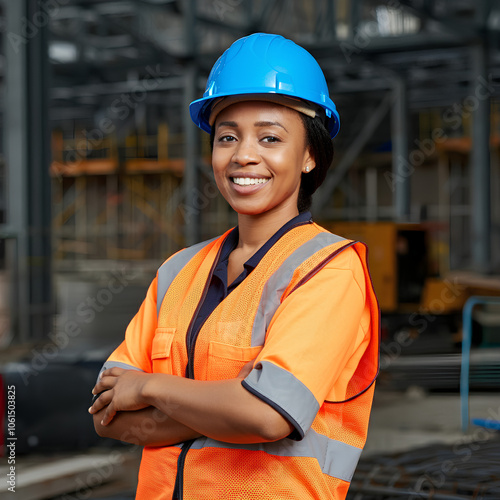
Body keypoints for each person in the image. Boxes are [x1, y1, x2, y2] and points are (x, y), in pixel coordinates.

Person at [89, 32, 379, 500]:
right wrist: (228, 411)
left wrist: (149, 387)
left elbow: (268, 415)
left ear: (309, 155)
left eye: (270, 137)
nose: (244, 154)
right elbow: (109, 415)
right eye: (227, 137)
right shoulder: (177, 271)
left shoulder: (329, 270)